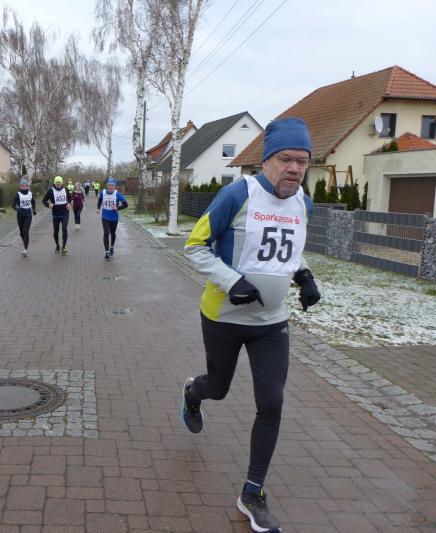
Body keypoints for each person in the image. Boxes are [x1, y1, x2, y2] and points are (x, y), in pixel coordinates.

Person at [180, 117, 321, 533]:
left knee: (271, 403)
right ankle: (193, 392)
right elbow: (194, 246)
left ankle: (252, 493)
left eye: (302, 161)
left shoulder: (303, 203)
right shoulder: (237, 195)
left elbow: (289, 250)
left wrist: (305, 276)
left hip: (271, 323)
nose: (294, 169)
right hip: (223, 317)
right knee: (219, 388)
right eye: (286, 159)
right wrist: (231, 281)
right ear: (267, 160)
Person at [96, 177, 128, 259]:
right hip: (105, 216)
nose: (110, 187)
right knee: (106, 233)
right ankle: (107, 251)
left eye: (112, 185)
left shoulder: (118, 194)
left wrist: (117, 208)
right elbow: (100, 199)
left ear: (114, 186)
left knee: (112, 233)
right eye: (109, 185)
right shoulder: (103, 192)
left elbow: (126, 205)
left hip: (114, 217)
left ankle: (112, 246)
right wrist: (98, 208)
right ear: (107, 185)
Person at [42, 175, 72, 254]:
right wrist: (48, 205)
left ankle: (63, 247)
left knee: (64, 228)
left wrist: (69, 203)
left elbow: (70, 197)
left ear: (62, 183)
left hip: (65, 213)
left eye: (60, 182)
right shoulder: (50, 190)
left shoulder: (65, 189)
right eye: (57, 182)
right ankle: (57, 245)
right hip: (56, 214)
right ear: (55, 183)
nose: (58, 184)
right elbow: (44, 200)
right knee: (56, 231)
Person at [12, 176, 36, 256]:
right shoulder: (17, 194)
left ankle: (25, 249)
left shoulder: (30, 193)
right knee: (21, 232)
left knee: (26, 231)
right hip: (20, 215)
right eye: (22, 185)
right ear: (20, 186)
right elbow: (13, 205)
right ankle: (25, 241)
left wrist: (34, 209)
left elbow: (33, 202)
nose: (24, 187)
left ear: (27, 186)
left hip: (28, 214)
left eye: (25, 185)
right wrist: (17, 209)